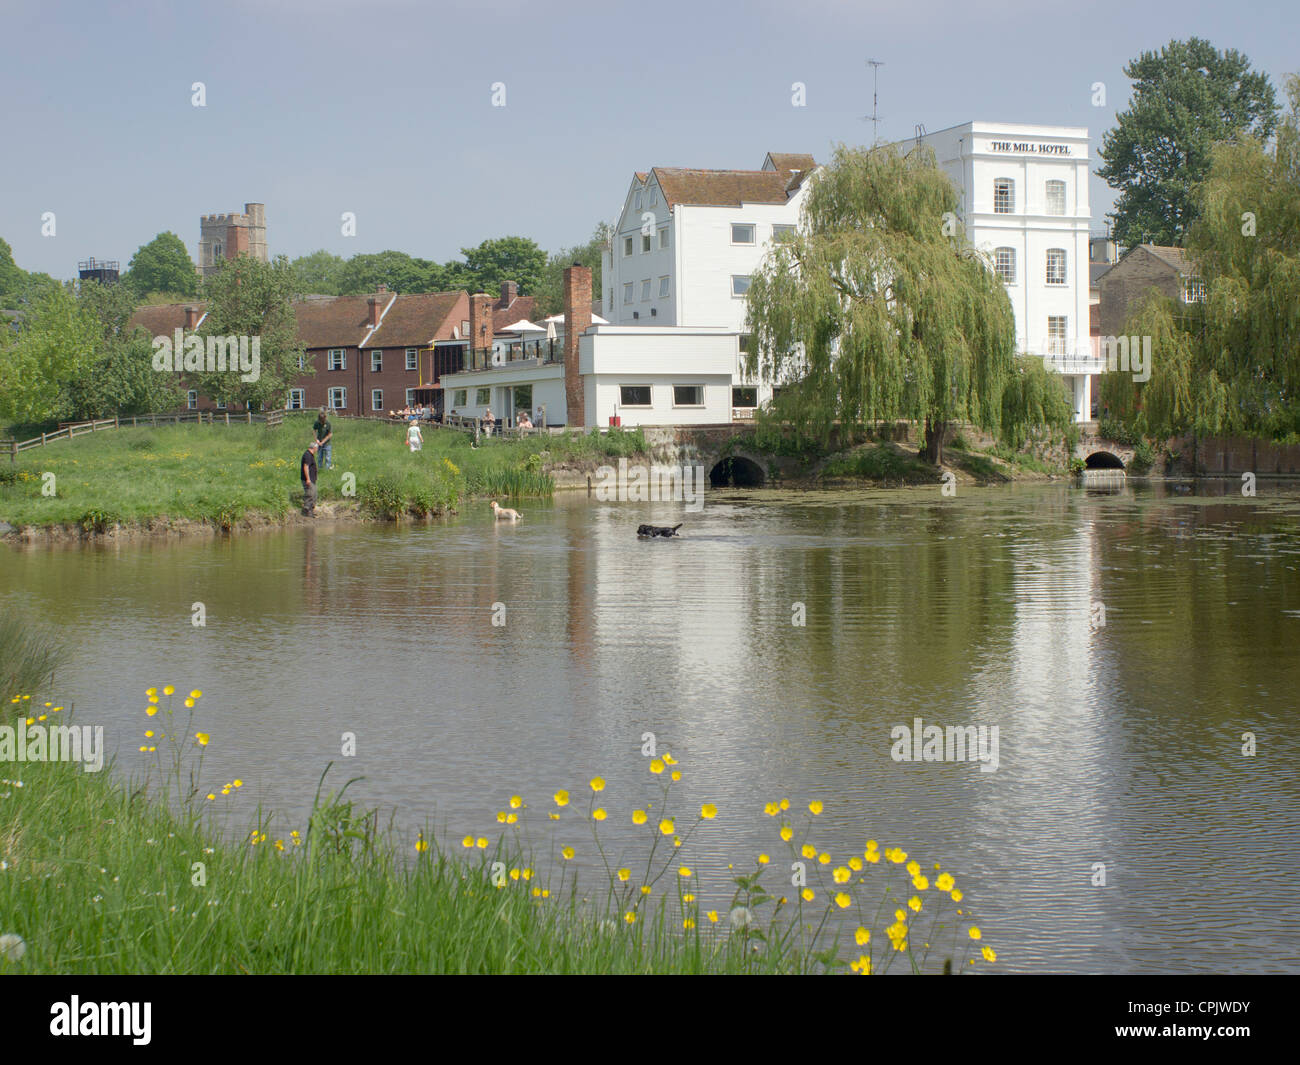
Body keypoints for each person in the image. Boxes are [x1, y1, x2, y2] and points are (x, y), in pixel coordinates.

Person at [301, 439, 319, 516]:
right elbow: (306, 467)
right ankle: (307, 511)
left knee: (314, 495)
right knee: (310, 495)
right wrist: (308, 479)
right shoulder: (307, 455)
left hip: (312, 479)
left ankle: (311, 511)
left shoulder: (310, 455)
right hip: (308, 479)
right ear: (314, 448)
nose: (317, 450)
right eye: (317, 448)